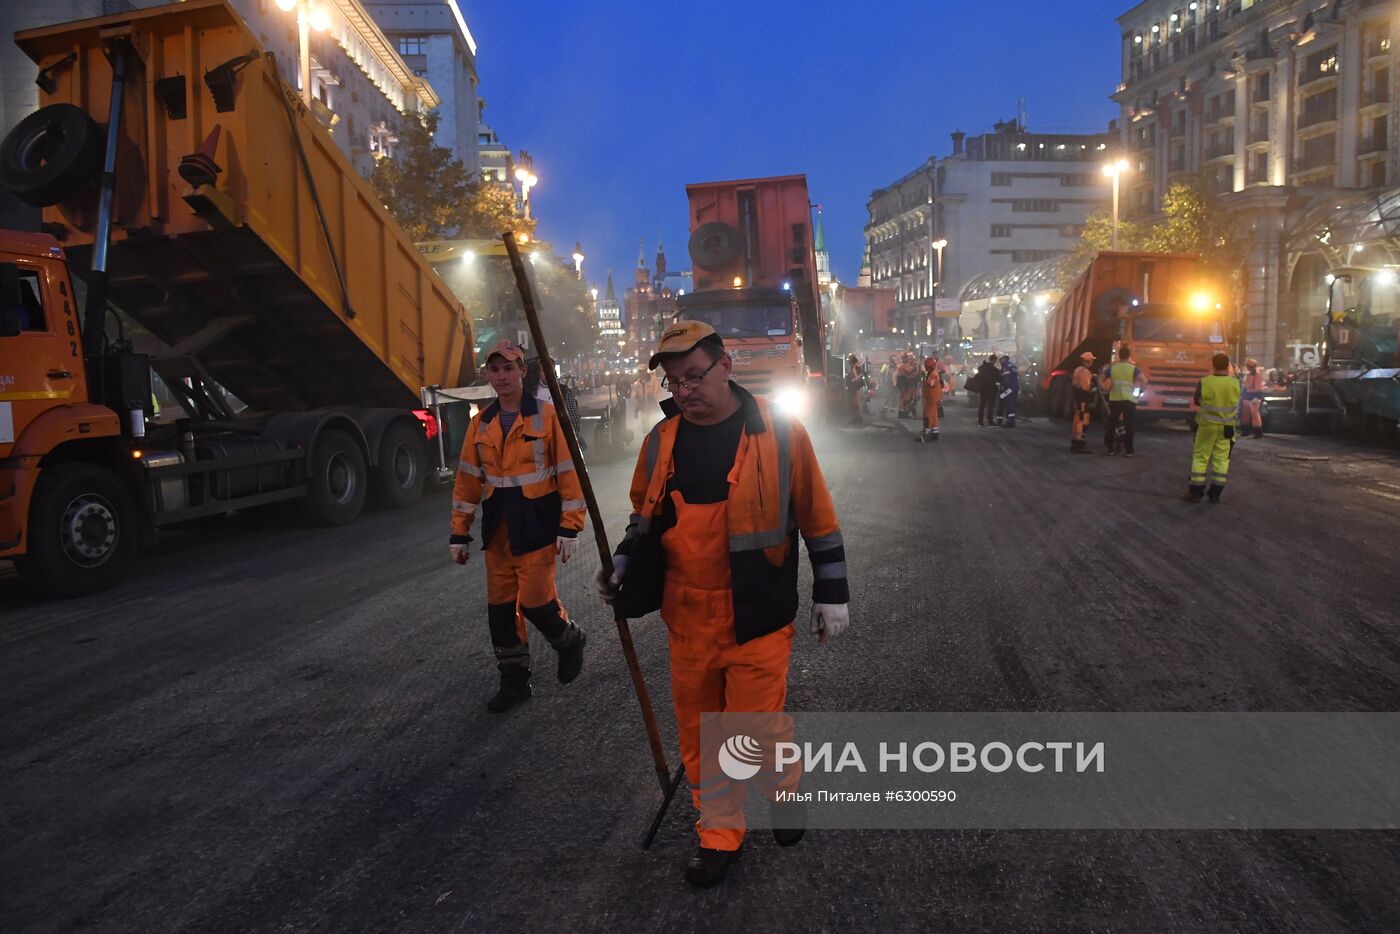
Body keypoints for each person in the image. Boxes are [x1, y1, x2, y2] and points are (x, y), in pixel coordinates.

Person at [594, 320, 849, 888]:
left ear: (725, 366)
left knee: (756, 730)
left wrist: (831, 593)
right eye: (674, 380)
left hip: (758, 613)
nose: (684, 389)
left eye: (694, 376)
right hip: (687, 617)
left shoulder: (781, 431)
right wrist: (622, 565)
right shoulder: (661, 442)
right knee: (704, 733)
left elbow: (818, 516)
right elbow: (646, 519)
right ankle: (718, 835)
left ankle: (783, 792)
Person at [450, 340, 588, 713]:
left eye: (509, 368)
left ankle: (568, 639)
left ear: (522, 372)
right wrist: (459, 532)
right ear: (487, 375)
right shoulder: (481, 424)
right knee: (500, 612)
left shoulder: (546, 416)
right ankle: (514, 682)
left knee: (536, 602)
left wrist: (570, 526)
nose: (502, 376)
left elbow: (569, 472)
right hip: (499, 532)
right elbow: (467, 481)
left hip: (538, 527)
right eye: (494, 370)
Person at [1183, 352, 1241, 504]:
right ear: (1228, 366)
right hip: (1227, 428)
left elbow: (1196, 400)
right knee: (1222, 460)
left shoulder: (1205, 381)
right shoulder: (1235, 383)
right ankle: (1215, 494)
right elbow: (1236, 404)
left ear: (1213, 365)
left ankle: (1195, 492)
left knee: (1201, 457)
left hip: (1206, 427)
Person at [1100, 345, 1143, 456]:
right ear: (1129, 356)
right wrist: (1139, 393)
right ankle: (1129, 451)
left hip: (1115, 399)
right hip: (1129, 400)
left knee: (1112, 424)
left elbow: (1100, 379)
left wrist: (1106, 389)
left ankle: (1110, 449)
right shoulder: (1133, 369)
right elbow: (1145, 381)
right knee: (1129, 425)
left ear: (1119, 356)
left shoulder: (1113, 368)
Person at [1070, 351, 1096, 453]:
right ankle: (1080, 444)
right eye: (1091, 360)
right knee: (1083, 421)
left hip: (1077, 398)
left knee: (1077, 420)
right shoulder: (1085, 372)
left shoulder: (1077, 370)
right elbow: (1086, 387)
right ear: (1088, 361)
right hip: (1083, 399)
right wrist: (1093, 388)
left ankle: (1074, 442)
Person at [915, 355, 943, 442]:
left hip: (932, 398)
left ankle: (926, 434)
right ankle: (934, 434)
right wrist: (921, 371)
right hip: (930, 398)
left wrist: (923, 372)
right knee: (934, 416)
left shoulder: (934, 374)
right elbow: (923, 379)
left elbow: (931, 383)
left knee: (928, 416)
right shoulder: (931, 372)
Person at [1241, 358, 1265, 439]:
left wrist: (1248, 389)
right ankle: (1246, 430)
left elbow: (1257, 388)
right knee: (1245, 414)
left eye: (1249, 366)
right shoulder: (1248, 375)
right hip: (1247, 396)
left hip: (1255, 396)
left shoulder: (1258, 375)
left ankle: (1258, 432)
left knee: (1255, 413)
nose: (1249, 368)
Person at [975, 354, 1000, 427]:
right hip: (992, 389)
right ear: (995, 361)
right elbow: (999, 379)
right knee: (990, 406)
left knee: (982, 405)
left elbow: (977, 377)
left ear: (989, 359)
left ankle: (980, 422)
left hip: (983, 389)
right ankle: (990, 421)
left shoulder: (981, 368)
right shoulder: (995, 370)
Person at [998, 355, 1020, 428]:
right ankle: (1009, 420)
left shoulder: (1006, 366)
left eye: (1000, 360)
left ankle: (1010, 421)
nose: (1000, 362)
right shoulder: (1012, 365)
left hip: (1009, 389)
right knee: (1005, 400)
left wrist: (1004, 388)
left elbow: (1007, 379)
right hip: (1014, 388)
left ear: (1003, 359)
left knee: (1008, 404)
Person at [896, 352, 919, 419]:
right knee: (904, 399)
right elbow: (910, 371)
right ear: (903, 359)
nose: (908, 359)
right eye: (906, 358)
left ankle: (905, 413)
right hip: (904, 385)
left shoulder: (905, 365)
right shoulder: (903, 365)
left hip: (907, 385)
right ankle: (903, 414)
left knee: (906, 399)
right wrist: (915, 367)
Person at [844, 353, 865, 422]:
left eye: (849, 360)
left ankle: (856, 418)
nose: (848, 361)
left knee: (854, 403)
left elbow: (858, 376)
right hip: (853, 387)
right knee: (854, 403)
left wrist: (852, 381)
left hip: (854, 387)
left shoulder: (856, 366)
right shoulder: (855, 366)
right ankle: (857, 418)